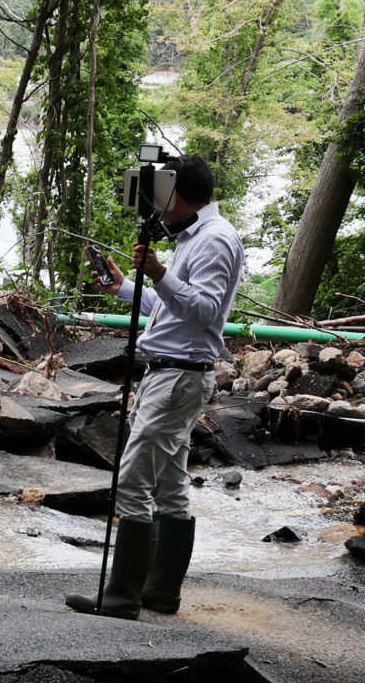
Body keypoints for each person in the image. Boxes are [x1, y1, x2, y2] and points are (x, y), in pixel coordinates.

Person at [66, 155, 243, 619]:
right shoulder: (194, 236)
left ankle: (122, 596)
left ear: (175, 191)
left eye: (158, 189)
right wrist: (126, 286)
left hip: (179, 376)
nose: (154, 202)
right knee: (169, 486)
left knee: (133, 481)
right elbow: (169, 309)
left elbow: (206, 312)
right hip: (171, 372)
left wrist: (161, 273)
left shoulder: (215, 241)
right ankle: (161, 593)